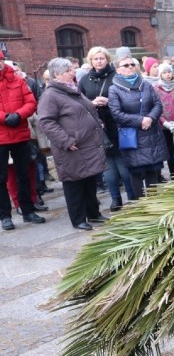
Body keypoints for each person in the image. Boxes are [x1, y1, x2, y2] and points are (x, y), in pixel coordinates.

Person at [38, 57, 107, 230]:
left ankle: (94, 213)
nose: (73, 72)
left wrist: (97, 123)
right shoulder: (51, 95)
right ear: (58, 74)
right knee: (74, 183)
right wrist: (65, 140)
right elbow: (46, 121)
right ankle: (78, 219)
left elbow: (85, 109)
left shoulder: (71, 89)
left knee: (89, 180)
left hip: (86, 144)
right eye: (69, 70)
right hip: (71, 147)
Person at [77, 47, 134, 210]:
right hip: (98, 126)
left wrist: (109, 101)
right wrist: (91, 103)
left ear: (107, 59)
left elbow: (127, 97)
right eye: (95, 59)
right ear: (90, 61)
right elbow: (80, 101)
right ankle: (115, 198)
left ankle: (132, 196)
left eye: (102, 58)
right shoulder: (85, 79)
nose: (99, 61)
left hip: (117, 123)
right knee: (107, 166)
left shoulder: (117, 75)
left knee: (123, 164)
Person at [108, 49, 168, 197]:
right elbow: (116, 114)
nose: (130, 67)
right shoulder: (114, 89)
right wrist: (141, 120)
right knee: (136, 171)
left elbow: (158, 104)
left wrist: (151, 118)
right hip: (133, 136)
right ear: (118, 70)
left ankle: (154, 203)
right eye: (125, 65)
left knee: (152, 170)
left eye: (132, 64)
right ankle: (141, 206)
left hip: (151, 133)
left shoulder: (145, 84)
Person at [0, 50, 45, 230]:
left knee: (24, 174)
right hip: (1, 137)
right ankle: (5, 215)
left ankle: (27, 210)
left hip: (19, 134)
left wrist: (19, 115)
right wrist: (5, 118)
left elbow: (31, 102)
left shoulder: (18, 80)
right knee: (1, 178)